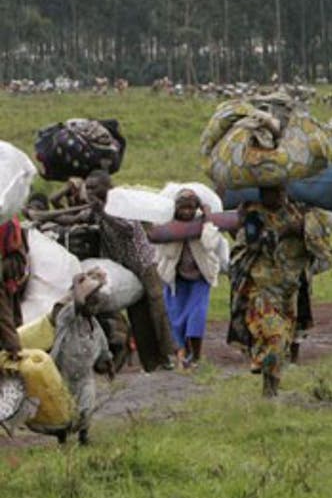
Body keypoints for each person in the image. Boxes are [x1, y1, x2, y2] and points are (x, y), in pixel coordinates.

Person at [227, 185, 315, 397]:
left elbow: (317, 242)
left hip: (289, 290)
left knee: (282, 340)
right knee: (274, 335)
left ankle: (270, 386)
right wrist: (271, 233)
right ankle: (269, 389)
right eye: (270, 192)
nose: (276, 196)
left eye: (280, 192)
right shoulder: (254, 215)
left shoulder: (299, 214)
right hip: (262, 290)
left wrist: (298, 228)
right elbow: (248, 244)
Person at [84, 171, 176, 371]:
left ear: (107, 187)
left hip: (144, 264)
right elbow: (74, 216)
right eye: (87, 187)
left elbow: (127, 229)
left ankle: (170, 354)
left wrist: (103, 212)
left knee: (157, 307)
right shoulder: (97, 209)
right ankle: (151, 362)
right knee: (137, 313)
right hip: (124, 267)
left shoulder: (120, 203)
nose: (89, 191)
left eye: (94, 187)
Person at [156, 190, 223, 368]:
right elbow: (167, 253)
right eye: (182, 207)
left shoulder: (203, 222)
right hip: (176, 278)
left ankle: (197, 355)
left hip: (200, 276)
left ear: (197, 208)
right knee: (176, 318)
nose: (186, 212)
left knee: (196, 316)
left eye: (191, 208)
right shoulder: (168, 225)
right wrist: (176, 230)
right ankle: (183, 353)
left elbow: (210, 243)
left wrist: (207, 217)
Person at [50, 270, 114, 445]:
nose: (94, 309)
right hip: (63, 372)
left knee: (86, 407)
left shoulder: (94, 325)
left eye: (97, 305)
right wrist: (77, 284)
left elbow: (103, 348)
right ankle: (62, 439)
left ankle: (83, 437)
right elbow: (78, 302)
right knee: (63, 409)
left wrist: (108, 364)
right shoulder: (67, 317)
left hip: (85, 376)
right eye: (91, 304)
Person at [0, 218, 28, 359]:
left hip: (7, 276)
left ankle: (14, 351)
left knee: (7, 318)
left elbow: (19, 259)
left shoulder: (8, 224)